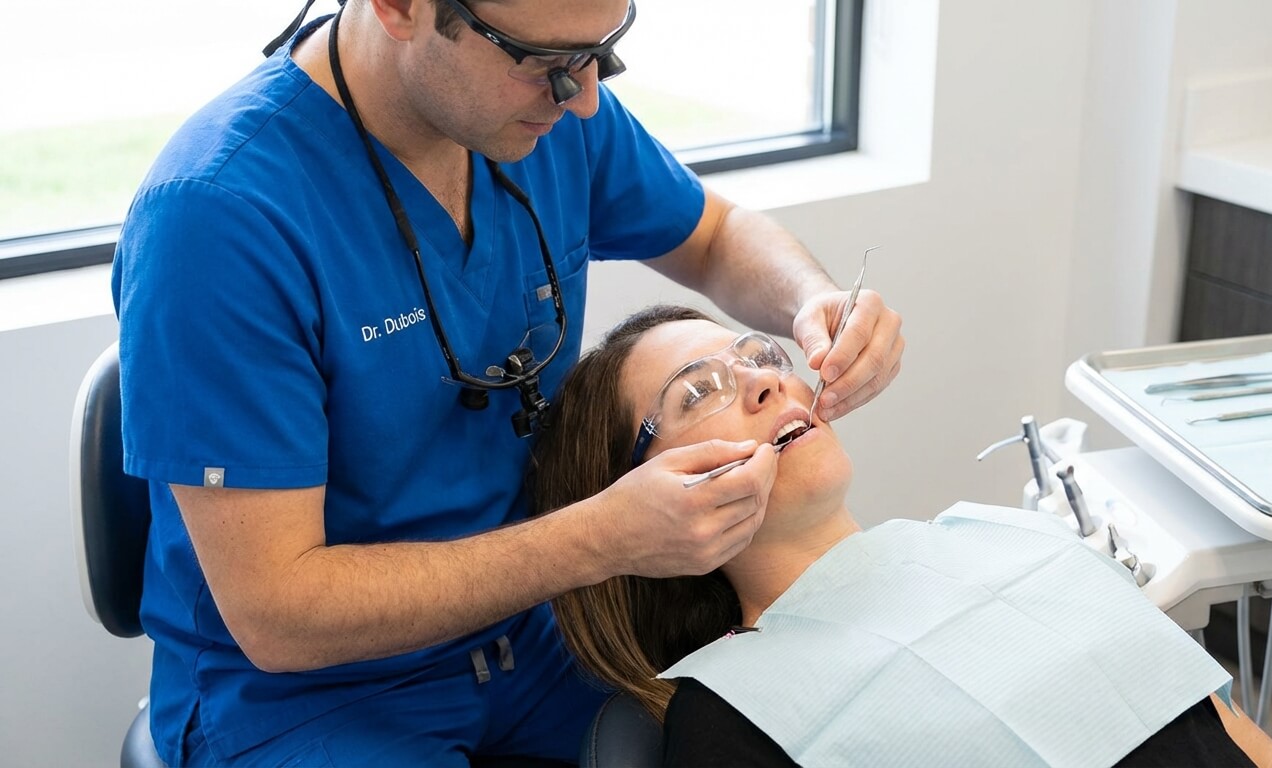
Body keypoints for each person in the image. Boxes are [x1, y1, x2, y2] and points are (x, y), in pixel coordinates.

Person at [111, 0, 905, 764]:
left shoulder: (539, 115)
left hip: (541, 630)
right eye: (548, 63)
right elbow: (279, 615)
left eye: (602, 52)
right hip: (315, 693)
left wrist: (811, 299)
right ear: (400, 6)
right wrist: (603, 537)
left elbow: (716, 236)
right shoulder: (217, 221)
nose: (586, 99)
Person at [530, 305, 1272, 768]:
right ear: (635, 500)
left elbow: (1247, 744)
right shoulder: (732, 717)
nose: (768, 380)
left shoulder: (1009, 541)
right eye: (699, 392)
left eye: (760, 356)